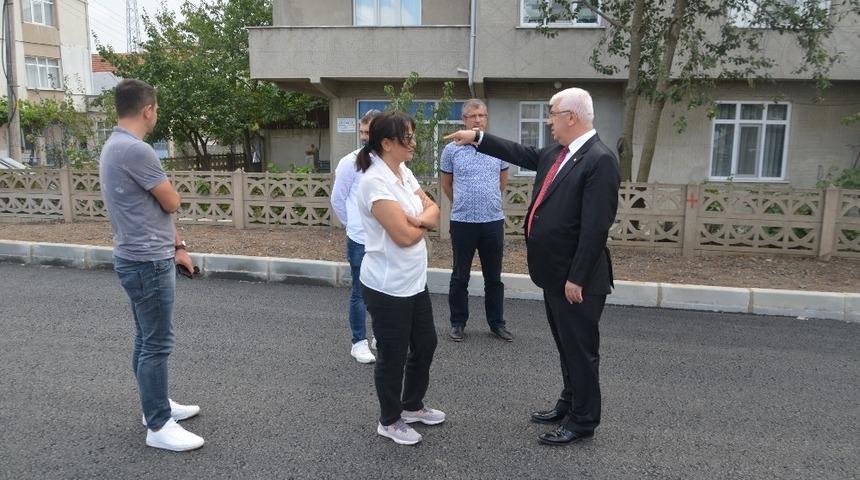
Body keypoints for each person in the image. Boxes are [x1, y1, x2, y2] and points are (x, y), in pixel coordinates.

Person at [445, 88, 620, 446]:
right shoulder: (558, 152)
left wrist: (577, 277)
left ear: (571, 116)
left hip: (578, 280)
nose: (549, 121)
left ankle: (583, 420)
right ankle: (569, 403)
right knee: (566, 346)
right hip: (554, 274)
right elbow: (519, 152)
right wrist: (477, 137)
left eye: (552, 113)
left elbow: (595, 227)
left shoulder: (599, 159)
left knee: (581, 351)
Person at [99, 79, 205, 452]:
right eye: (156, 109)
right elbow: (171, 202)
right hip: (147, 261)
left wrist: (179, 246)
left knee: (146, 338)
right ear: (147, 110)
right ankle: (158, 424)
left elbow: (154, 208)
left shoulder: (113, 146)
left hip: (138, 255)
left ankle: (154, 405)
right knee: (156, 343)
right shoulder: (137, 150)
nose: (156, 114)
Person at [356, 111, 445, 445]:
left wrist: (418, 220)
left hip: (413, 280)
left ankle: (411, 406)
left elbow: (434, 209)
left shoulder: (403, 172)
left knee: (426, 343)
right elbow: (403, 237)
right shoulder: (374, 182)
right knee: (393, 354)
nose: (414, 143)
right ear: (387, 143)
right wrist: (423, 223)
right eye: (407, 137)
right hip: (387, 285)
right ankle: (390, 420)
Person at [439, 99, 512, 343]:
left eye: (482, 115)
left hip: (492, 221)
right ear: (464, 120)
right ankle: (458, 323)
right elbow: (447, 184)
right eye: (472, 115)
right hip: (462, 222)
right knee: (460, 276)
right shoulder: (451, 150)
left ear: (486, 118)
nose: (478, 119)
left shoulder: (497, 147)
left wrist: (485, 200)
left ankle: (497, 324)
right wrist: (463, 201)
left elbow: (502, 182)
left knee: (494, 278)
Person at [331, 109, 381, 363]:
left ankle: (380, 336)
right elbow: (337, 199)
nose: (363, 136)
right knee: (360, 293)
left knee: (382, 290)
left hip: (385, 239)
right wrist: (352, 225)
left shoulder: (391, 162)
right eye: (361, 132)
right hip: (360, 239)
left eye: (368, 132)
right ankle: (359, 342)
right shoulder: (349, 162)